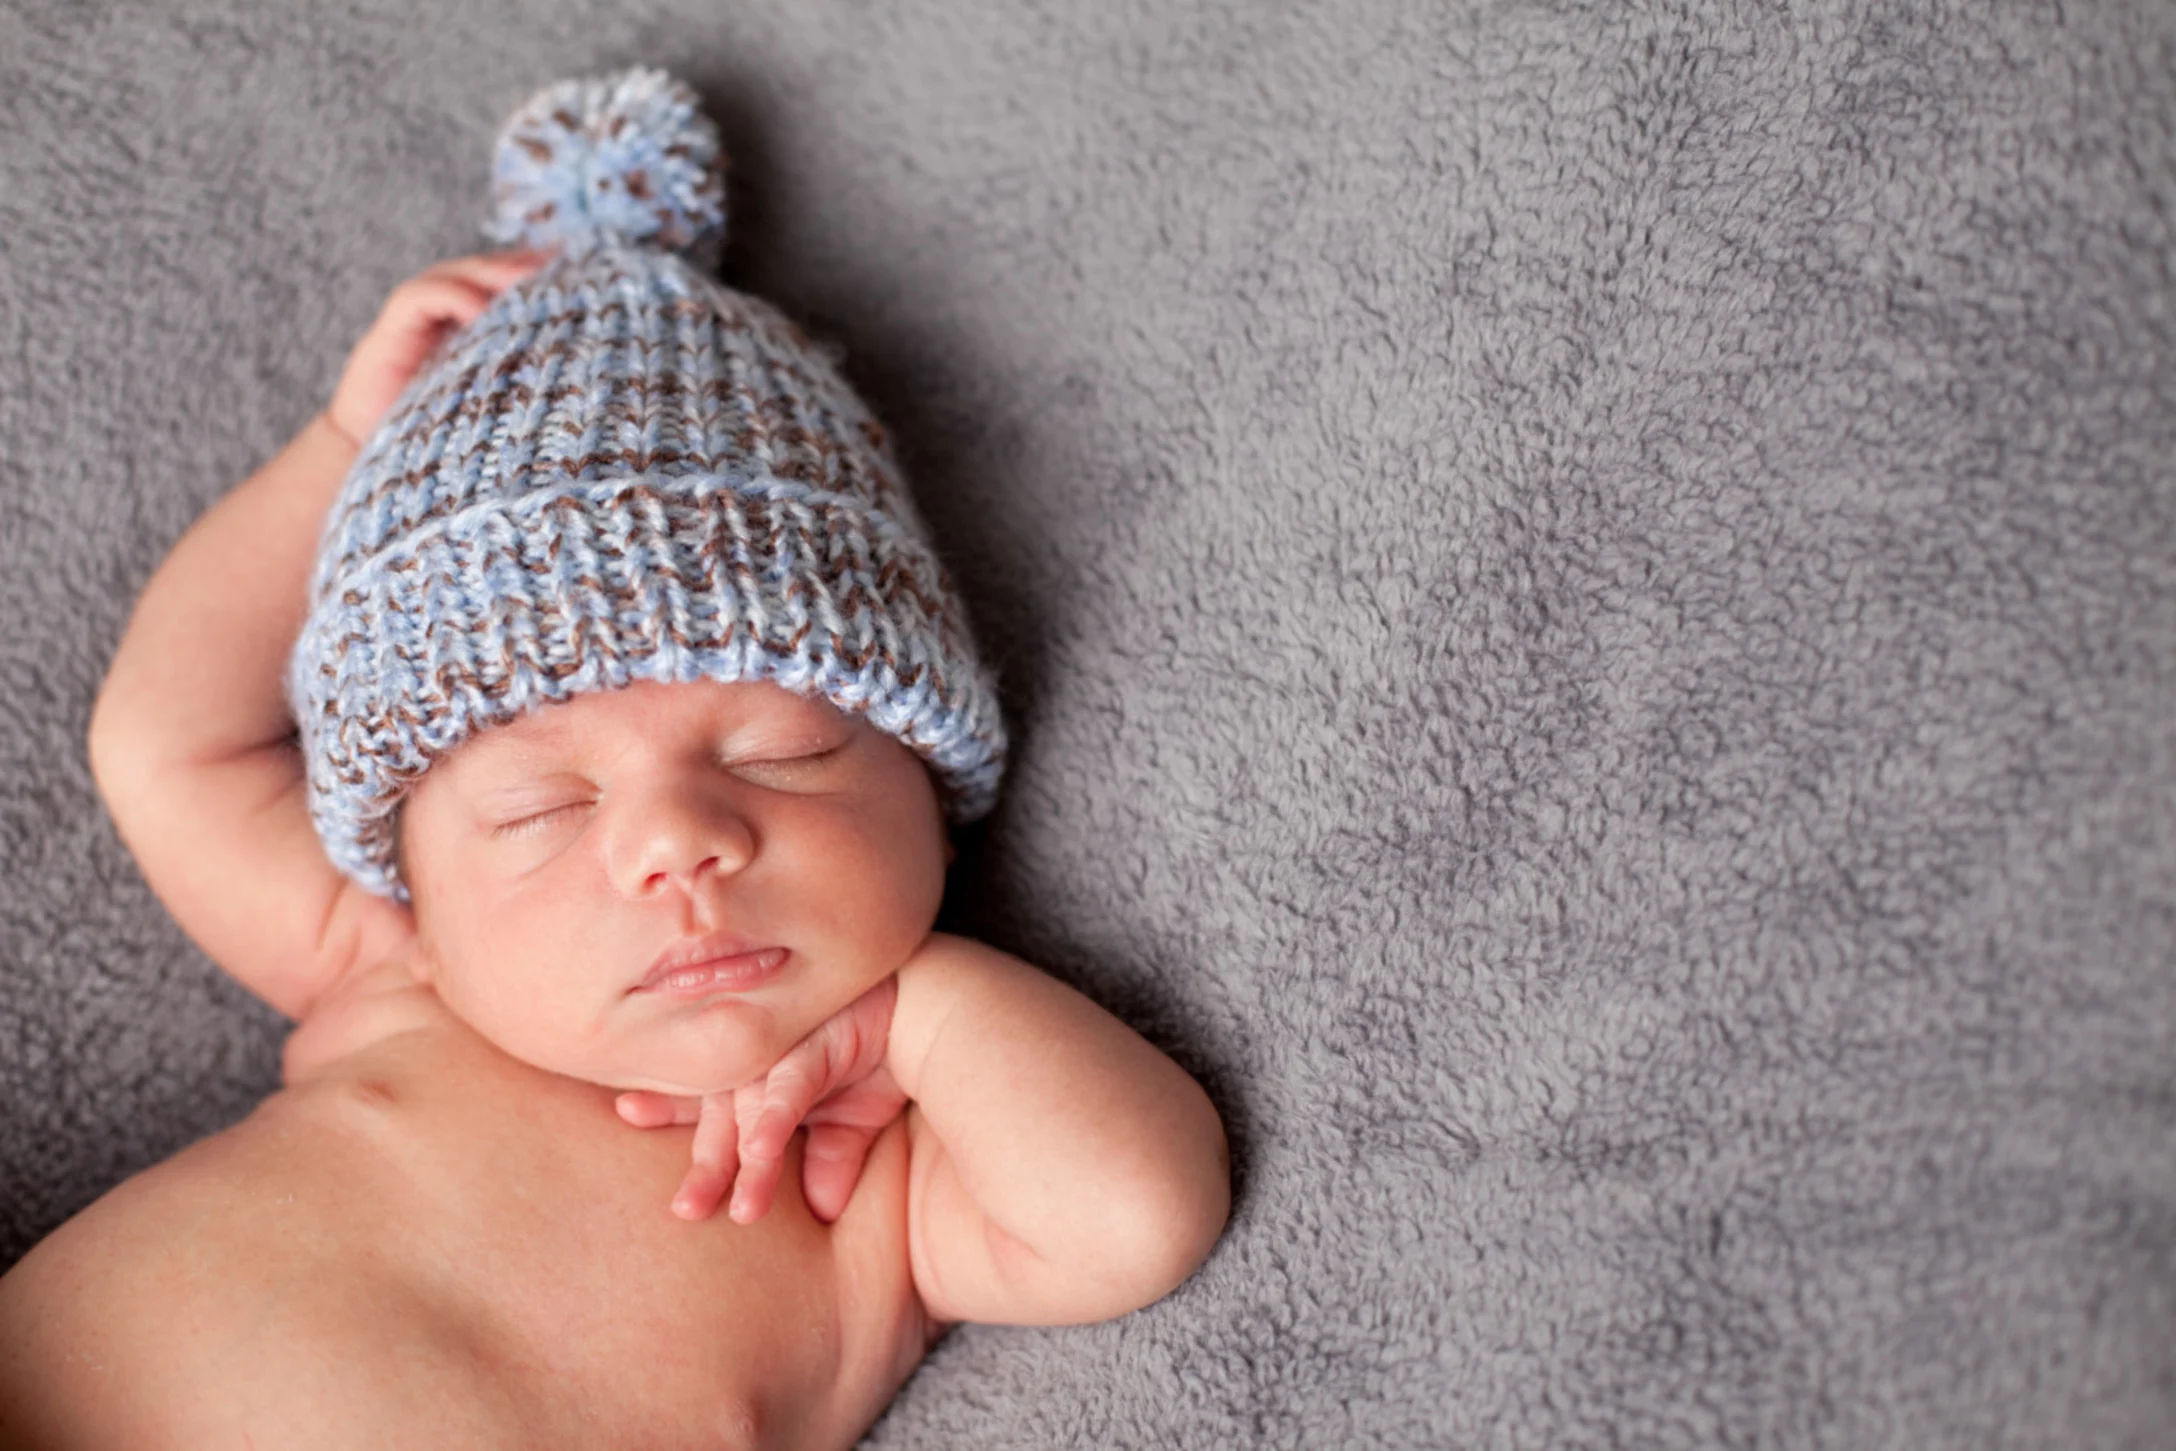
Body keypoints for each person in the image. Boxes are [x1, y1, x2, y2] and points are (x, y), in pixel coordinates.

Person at [0, 67, 1229, 1448]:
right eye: (538, 807)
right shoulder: (388, 962)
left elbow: (1140, 1212)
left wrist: (922, 1016)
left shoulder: (878, 1179)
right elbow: (164, 738)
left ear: (936, 803)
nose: (676, 838)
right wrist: (344, 449)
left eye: (787, 750)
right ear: (414, 877)